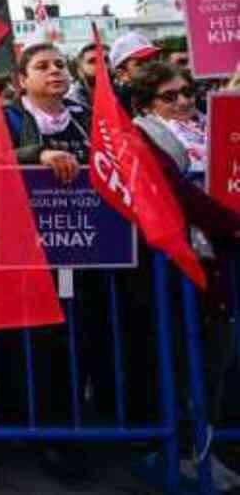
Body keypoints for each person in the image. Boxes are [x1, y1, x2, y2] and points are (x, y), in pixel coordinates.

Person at [131, 63, 240, 489]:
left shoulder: (209, 128)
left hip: (219, 260)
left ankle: (205, 449)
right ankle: (178, 454)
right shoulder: (142, 136)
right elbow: (177, 193)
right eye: (169, 96)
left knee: (219, 357)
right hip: (176, 263)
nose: (182, 102)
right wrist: (233, 223)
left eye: (187, 92)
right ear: (146, 104)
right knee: (183, 361)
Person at [2, 44, 93, 486]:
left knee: (78, 339)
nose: (54, 71)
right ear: (22, 80)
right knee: (38, 346)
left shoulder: (84, 117)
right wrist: (36, 155)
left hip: (83, 246)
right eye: (42, 66)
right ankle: (43, 434)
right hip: (23, 252)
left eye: (59, 64)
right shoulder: (8, 119)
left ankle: (73, 427)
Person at [109, 32, 159, 115]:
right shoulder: (117, 108)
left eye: (151, 60)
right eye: (140, 64)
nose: (150, 67)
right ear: (122, 74)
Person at [65, 41, 107, 111]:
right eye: (92, 61)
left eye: (106, 60)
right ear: (80, 70)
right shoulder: (71, 104)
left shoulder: (123, 96)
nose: (101, 65)